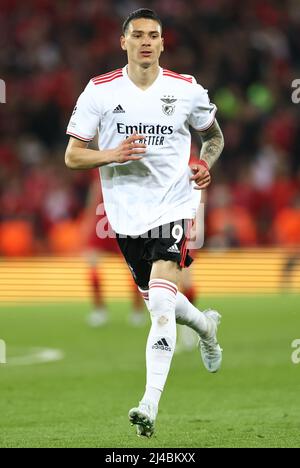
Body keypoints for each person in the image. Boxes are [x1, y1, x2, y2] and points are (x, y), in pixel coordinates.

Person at [65, 8, 224, 438]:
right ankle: (208, 327)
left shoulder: (186, 90)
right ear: (124, 42)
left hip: (174, 207)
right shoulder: (100, 91)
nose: (146, 42)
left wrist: (205, 165)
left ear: (162, 42)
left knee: (158, 305)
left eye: (153, 35)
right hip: (124, 217)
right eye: (137, 35)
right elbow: (73, 155)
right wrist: (111, 155)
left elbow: (214, 137)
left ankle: (148, 405)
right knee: (165, 302)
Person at [82, 168, 146, 327]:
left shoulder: (127, 157)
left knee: (132, 265)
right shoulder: (102, 159)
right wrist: (89, 218)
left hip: (122, 216)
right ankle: (100, 310)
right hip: (103, 216)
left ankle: (137, 311)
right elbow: (96, 187)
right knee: (92, 262)